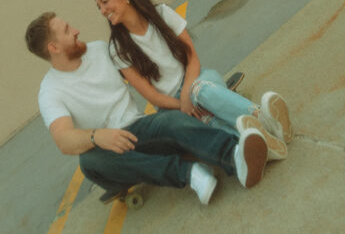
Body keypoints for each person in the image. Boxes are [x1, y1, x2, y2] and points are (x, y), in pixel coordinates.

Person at [25, 10, 271, 206]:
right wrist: (97, 136)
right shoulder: (50, 91)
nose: (77, 30)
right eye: (68, 31)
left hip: (140, 128)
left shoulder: (101, 50)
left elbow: (149, 74)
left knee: (172, 121)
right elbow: (64, 140)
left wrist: (187, 92)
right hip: (110, 151)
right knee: (89, 163)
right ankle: (190, 173)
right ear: (54, 48)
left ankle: (236, 155)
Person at [93, 0, 293, 161]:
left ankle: (264, 120)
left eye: (105, 2)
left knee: (201, 92)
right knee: (206, 118)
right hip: (170, 105)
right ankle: (266, 140)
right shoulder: (117, 48)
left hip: (197, 78)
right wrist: (182, 104)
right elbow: (152, 96)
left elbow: (192, 58)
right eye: (98, 8)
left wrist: (188, 94)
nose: (102, 11)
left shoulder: (161, 13)